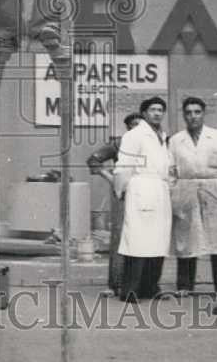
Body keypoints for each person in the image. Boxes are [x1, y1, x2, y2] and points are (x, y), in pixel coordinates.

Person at [167, 97, 217, 302]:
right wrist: (173, 193)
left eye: (197, 112)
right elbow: (170, 171)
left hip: (214, 189)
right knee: (186, 239)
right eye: (188, 112)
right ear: (184, 115)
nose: (193, 116)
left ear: (204, 114)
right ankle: (184, 285)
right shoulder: (176, 140)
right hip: (185, 189)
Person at [113, 97, 172, 302]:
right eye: (152, 110)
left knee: (157, 241)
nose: (157, 113)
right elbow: (123, 166)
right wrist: (121, 191)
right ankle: (130, 289)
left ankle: (150, 287)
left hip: (160, 190)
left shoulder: (161, 136)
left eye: (160, 110)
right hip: (141, 188)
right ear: (144, 113)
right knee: (137, 242)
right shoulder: (135, 135)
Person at [87, 112, 142, 298]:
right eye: (133, 124)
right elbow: (93, 160)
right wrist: (110, 178)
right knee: (119, 238)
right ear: (127, 127)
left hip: (145, 194)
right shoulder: (119, 144)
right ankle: (115, 283)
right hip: (122, 194)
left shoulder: (151, 143)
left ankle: (139, 284)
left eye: (140, 124)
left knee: (142, 238)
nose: (137, 127)